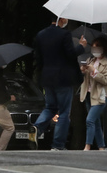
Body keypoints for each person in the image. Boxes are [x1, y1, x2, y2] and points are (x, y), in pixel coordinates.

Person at [30, 17, 87, 150]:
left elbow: (38, 58)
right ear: (60, 18)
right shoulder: (64, 34)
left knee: (50, 107)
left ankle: (37, 127)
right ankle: (58, 144)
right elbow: (70, 54)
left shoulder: (41, 34)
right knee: (64, 112)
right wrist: (81, 46)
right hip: (63, 78)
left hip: (47, 77)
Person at [79, 37, 107, 151]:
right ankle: (101, 147)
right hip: (88, 94)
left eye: (97, 47)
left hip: (100, 96)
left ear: (103, 49)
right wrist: (84, 70)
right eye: (93, 47)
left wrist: (94, 71)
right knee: (96, 122)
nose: (95, 50)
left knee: (90, 120)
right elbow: (85, 79)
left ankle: (87, 145)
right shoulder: (90, 60)